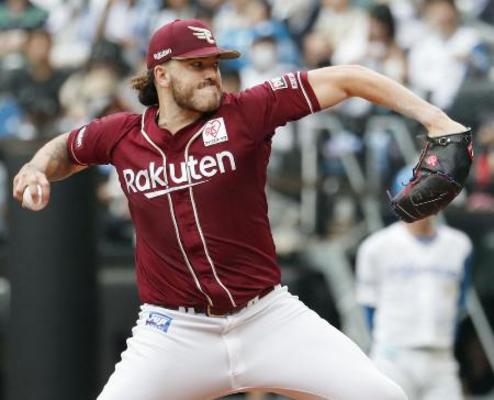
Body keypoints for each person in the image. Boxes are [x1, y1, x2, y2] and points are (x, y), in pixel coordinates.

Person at [13, 18, 467, 400]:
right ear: (162, 75)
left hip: (266, 317)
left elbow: (349, 77)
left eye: (214, 64)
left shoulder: (247, 112)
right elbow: (66, 149)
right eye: (196, 65)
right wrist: (35, 168)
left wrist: (435, 119)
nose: (212, 74)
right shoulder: (122, 135)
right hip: (173, 332)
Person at [355, 168, 473, 400]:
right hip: (394, 355)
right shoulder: (376, 247)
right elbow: (368, 305)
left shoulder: (459, 245)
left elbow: (460, 298)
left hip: (441, 357)